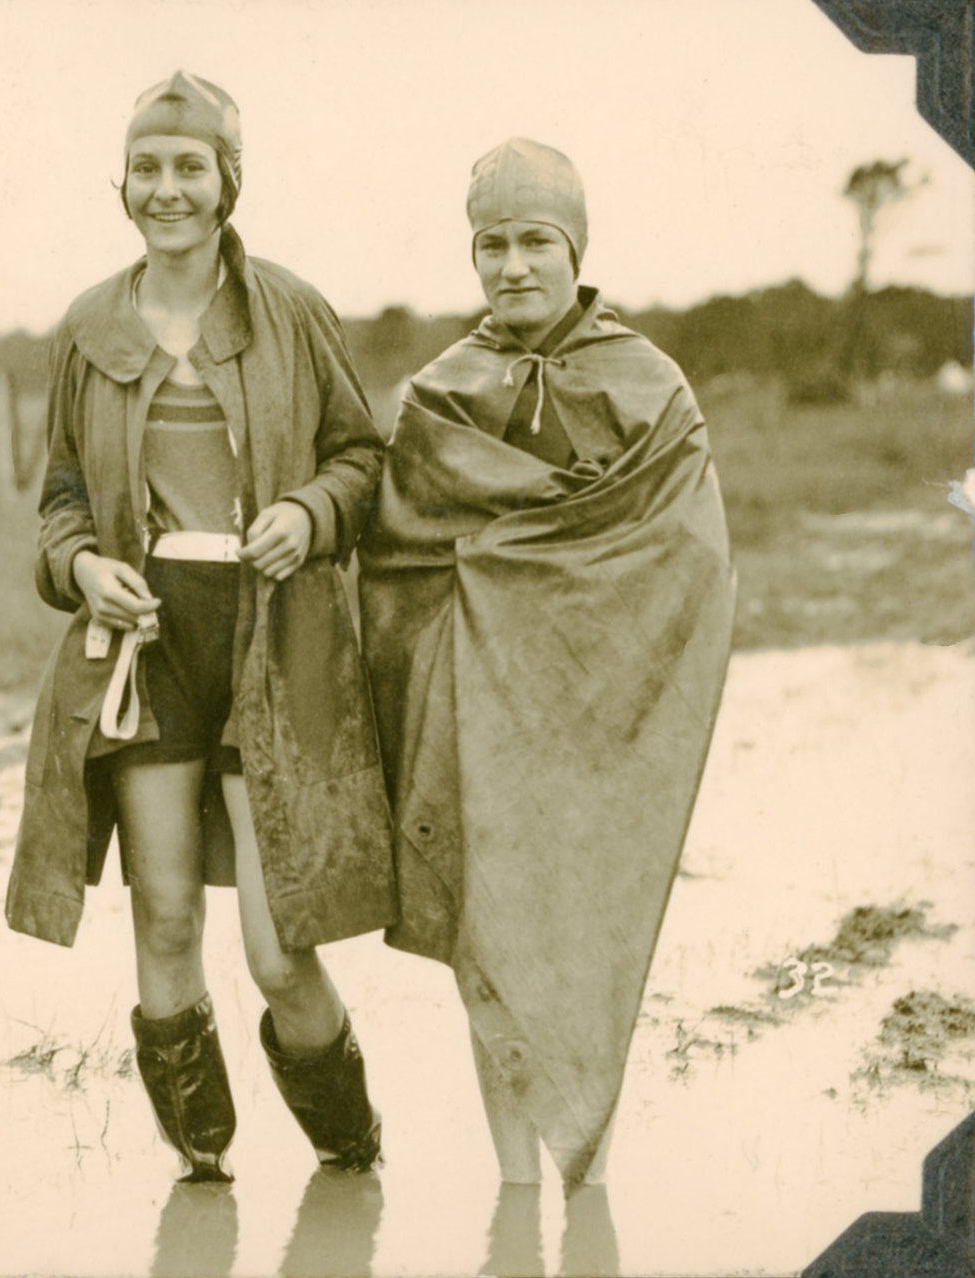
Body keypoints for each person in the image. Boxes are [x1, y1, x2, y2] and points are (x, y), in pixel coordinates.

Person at [6, 72, 396, 1183]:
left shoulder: (291, 310)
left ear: (230, 179)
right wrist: (82, 566)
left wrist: (307, 512)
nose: (166, 188)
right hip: (147, 645)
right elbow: (60, 500)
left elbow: (360, 462)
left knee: (280, 952)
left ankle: (347, 1148)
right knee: (164, 917)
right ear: (119, 181)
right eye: (146, 167)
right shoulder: (85, 328)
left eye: (188, 166)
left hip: (274, 637)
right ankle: (202, 1169)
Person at [357, 138, 733, 1193]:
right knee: (490, 929)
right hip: (475, 709)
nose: (512, 264)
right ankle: (514, 1186)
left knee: (584, 930)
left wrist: (580, 615)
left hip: (600, 715)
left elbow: (689, 553)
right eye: (491, 244)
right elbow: (397, 551)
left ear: (573, 249)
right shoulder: (439, 392)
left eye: (534, 241)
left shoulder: (648, 384)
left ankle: (591, 1177)